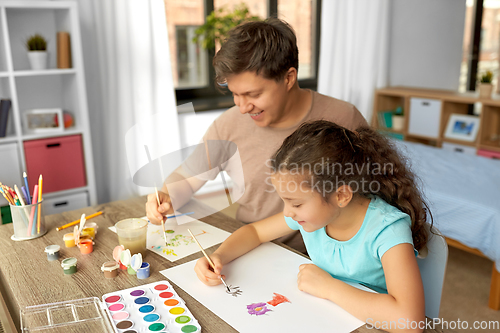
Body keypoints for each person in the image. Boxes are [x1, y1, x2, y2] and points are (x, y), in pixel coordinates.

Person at [146, 18, 368, 253]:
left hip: (326, 257)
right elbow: (187, 177)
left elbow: (377, 193)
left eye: (253, 94)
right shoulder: (229, 124)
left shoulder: (344, 118)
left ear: (288, 78)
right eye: (235, 94)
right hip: (250, 245)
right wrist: (165, 197)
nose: (242, 107)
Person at [194, 120, 431, 332]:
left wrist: (330, 288)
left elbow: (410, 321)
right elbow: (254, 232)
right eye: (285, 202)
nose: (288, 212)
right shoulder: (318, 214)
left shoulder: (387, 230)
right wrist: (219, 256)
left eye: (295, 203)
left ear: (341, 196)